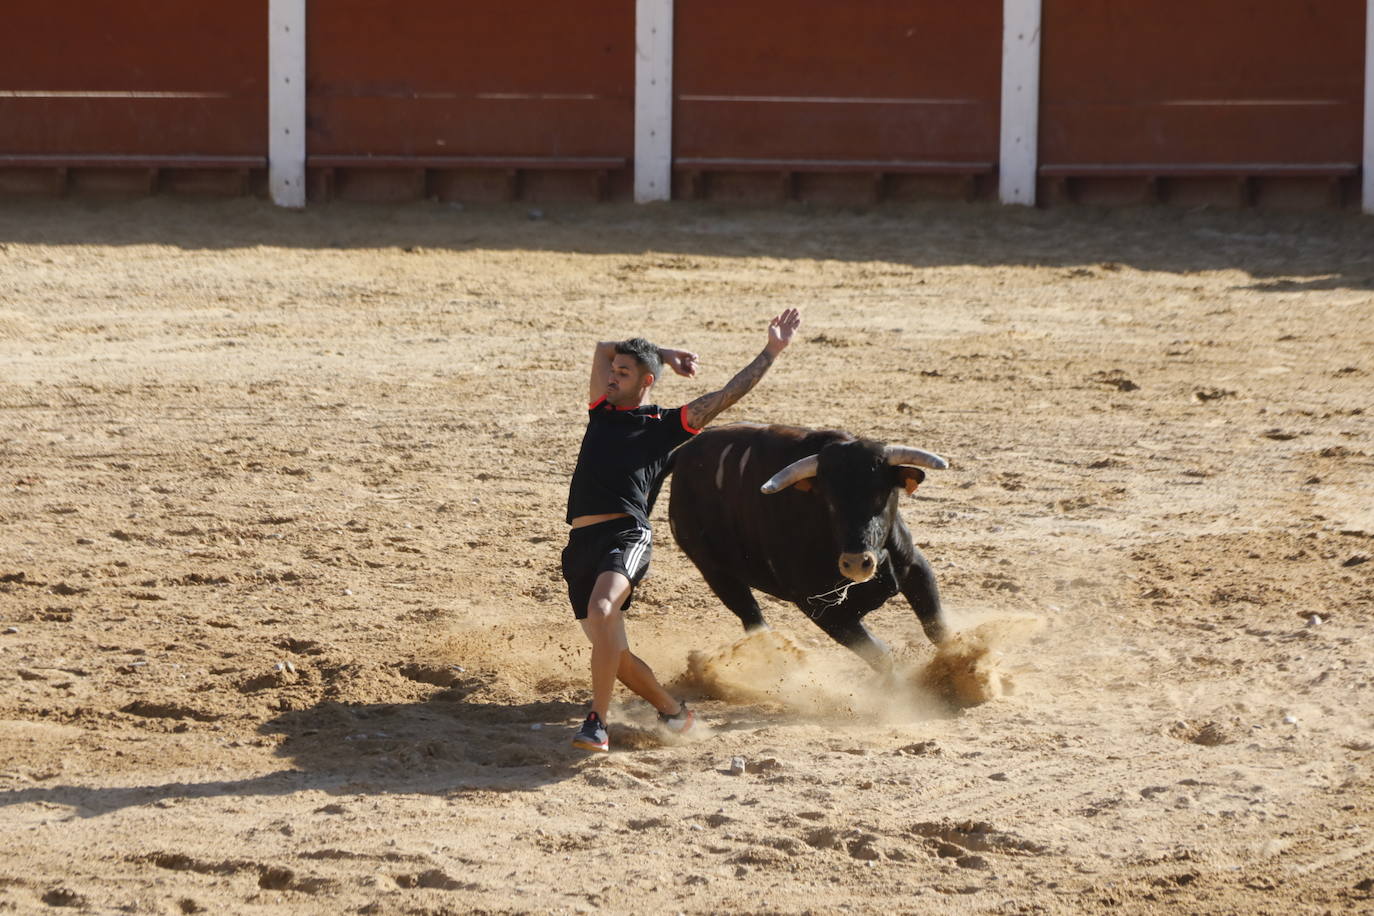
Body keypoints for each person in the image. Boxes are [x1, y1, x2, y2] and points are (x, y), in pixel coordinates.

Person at [562, 308, 802, 752]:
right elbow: (601, 347)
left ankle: (597, 721)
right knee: (614, 656)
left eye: (623, 372)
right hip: (579, 545)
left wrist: (771, 350)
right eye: (612, 372)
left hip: (624, 536)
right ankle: (676, 714)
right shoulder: (601, 411)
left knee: (602, 609)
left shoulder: (664, 426)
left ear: (645, 382)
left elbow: (729, 393)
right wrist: (663, 352)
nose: (611, 377)